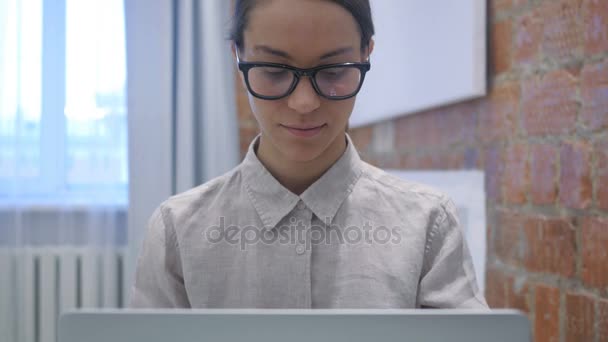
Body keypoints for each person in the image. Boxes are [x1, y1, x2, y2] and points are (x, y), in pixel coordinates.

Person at [130, 0, 488, 309]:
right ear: (237, 55)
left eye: (334, 71)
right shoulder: (178, 231)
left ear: (366, 54)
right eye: (273, 71)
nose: (304, 103)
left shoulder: (427, 223)